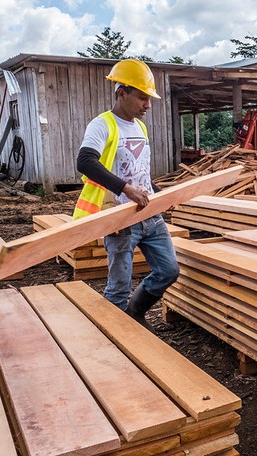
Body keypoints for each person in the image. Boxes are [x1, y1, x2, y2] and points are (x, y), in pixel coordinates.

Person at [73, 58, 179, 330]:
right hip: (121, 217)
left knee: (168, 271)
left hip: (150, 215)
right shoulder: (103, 125)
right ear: (122, 93)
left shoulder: (140, 127)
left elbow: (139, 171)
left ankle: (134, 316)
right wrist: (125, 189)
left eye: (149, 99)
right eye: (142, 98)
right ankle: (115, 341)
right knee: (118, 287)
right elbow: (85, 162)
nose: (147, 105)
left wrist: (162, 195)